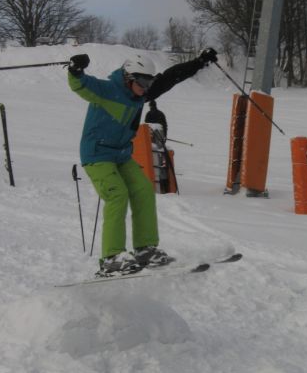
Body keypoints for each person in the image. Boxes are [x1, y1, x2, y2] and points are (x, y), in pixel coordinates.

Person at [67, 47, 218, 277]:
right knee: (117, 194)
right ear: (128, 78)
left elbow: (169, 78)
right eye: (142, 83)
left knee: (143, 189)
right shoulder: (106, 90)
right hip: (97, 154)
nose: (146, 89)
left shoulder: (140, 92)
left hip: (121, 154)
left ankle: (145, 250)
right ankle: (112, 258)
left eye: (149, 84)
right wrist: (75, 69)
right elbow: (81, 84)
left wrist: (199, 62)